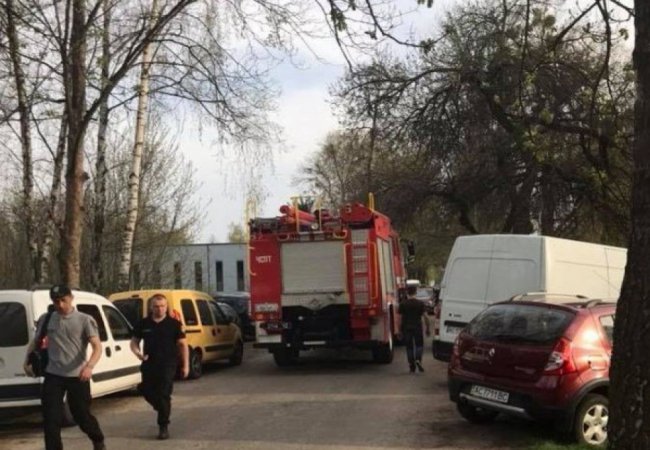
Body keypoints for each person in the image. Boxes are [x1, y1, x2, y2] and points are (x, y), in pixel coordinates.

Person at [23, 284, 106, 450]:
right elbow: (36, 341)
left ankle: (97, 438)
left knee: (81, 415)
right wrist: (26, 362)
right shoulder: (47, 319)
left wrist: (89, 366)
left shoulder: (84, 320)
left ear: (71, 298)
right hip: (53, 376)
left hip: (78, 376)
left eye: (63, 300)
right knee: (51, 418)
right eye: (56, 301)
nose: (60, 305)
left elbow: (97, 346)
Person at [130, 293, 189, 440]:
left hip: (168, 364)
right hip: (149, 363)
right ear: (151, 307)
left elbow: (183, 345)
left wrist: (186, 365)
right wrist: (138, 353)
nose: (160, 309)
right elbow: (134, 342)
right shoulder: (144, 323)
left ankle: (163, 426)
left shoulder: (174, 324)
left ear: (166, 306)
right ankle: (161, 408)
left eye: (162, 306)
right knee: (144, 389)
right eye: (156, 306)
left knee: (163, 394)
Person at [397, 284, 431, 373]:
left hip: (406, 327)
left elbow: (400, 319)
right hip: (417, 327)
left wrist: (399, 330)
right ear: (416, 293)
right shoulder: (420, 304)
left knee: (409, 347)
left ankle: (411, 365)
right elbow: (426, 317)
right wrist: (428, 328)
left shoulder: (403, 304)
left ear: (407, 293)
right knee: (419, 345)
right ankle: (418, 359)